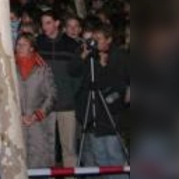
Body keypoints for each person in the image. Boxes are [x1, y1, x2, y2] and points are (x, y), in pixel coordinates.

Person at [76, 26, 129, 179]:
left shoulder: (119, 56)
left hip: (111, 113)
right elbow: (78, 74)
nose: (95, 42)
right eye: (94, 38)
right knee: (100, 157)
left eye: (99, 38)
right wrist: (86, 55)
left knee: (114, 155)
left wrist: (104, 67)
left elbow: (118, 84)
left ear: (109, 40)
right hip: (94, 114)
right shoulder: (91, 56)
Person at [36, 11, 83, 170]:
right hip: (44, 103)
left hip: (66, 102)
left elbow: (78, 74)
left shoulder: (71, 45)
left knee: (68, 148)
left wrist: (70, 93)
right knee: (45, 148)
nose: (44, 27)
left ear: (57, 23)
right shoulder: (38, 43)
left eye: (48, 22)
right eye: (43, 23)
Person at [15, 33, 57, 168]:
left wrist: (37, 114)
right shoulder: (9, 66)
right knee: (18, 160)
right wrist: (17, 114)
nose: (19, 47)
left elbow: (51, 95)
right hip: (16, 121)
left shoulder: (42, 68)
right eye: (18, 44)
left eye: (24, 45)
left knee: (38, 160)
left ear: (32, 48)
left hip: (38, 122)